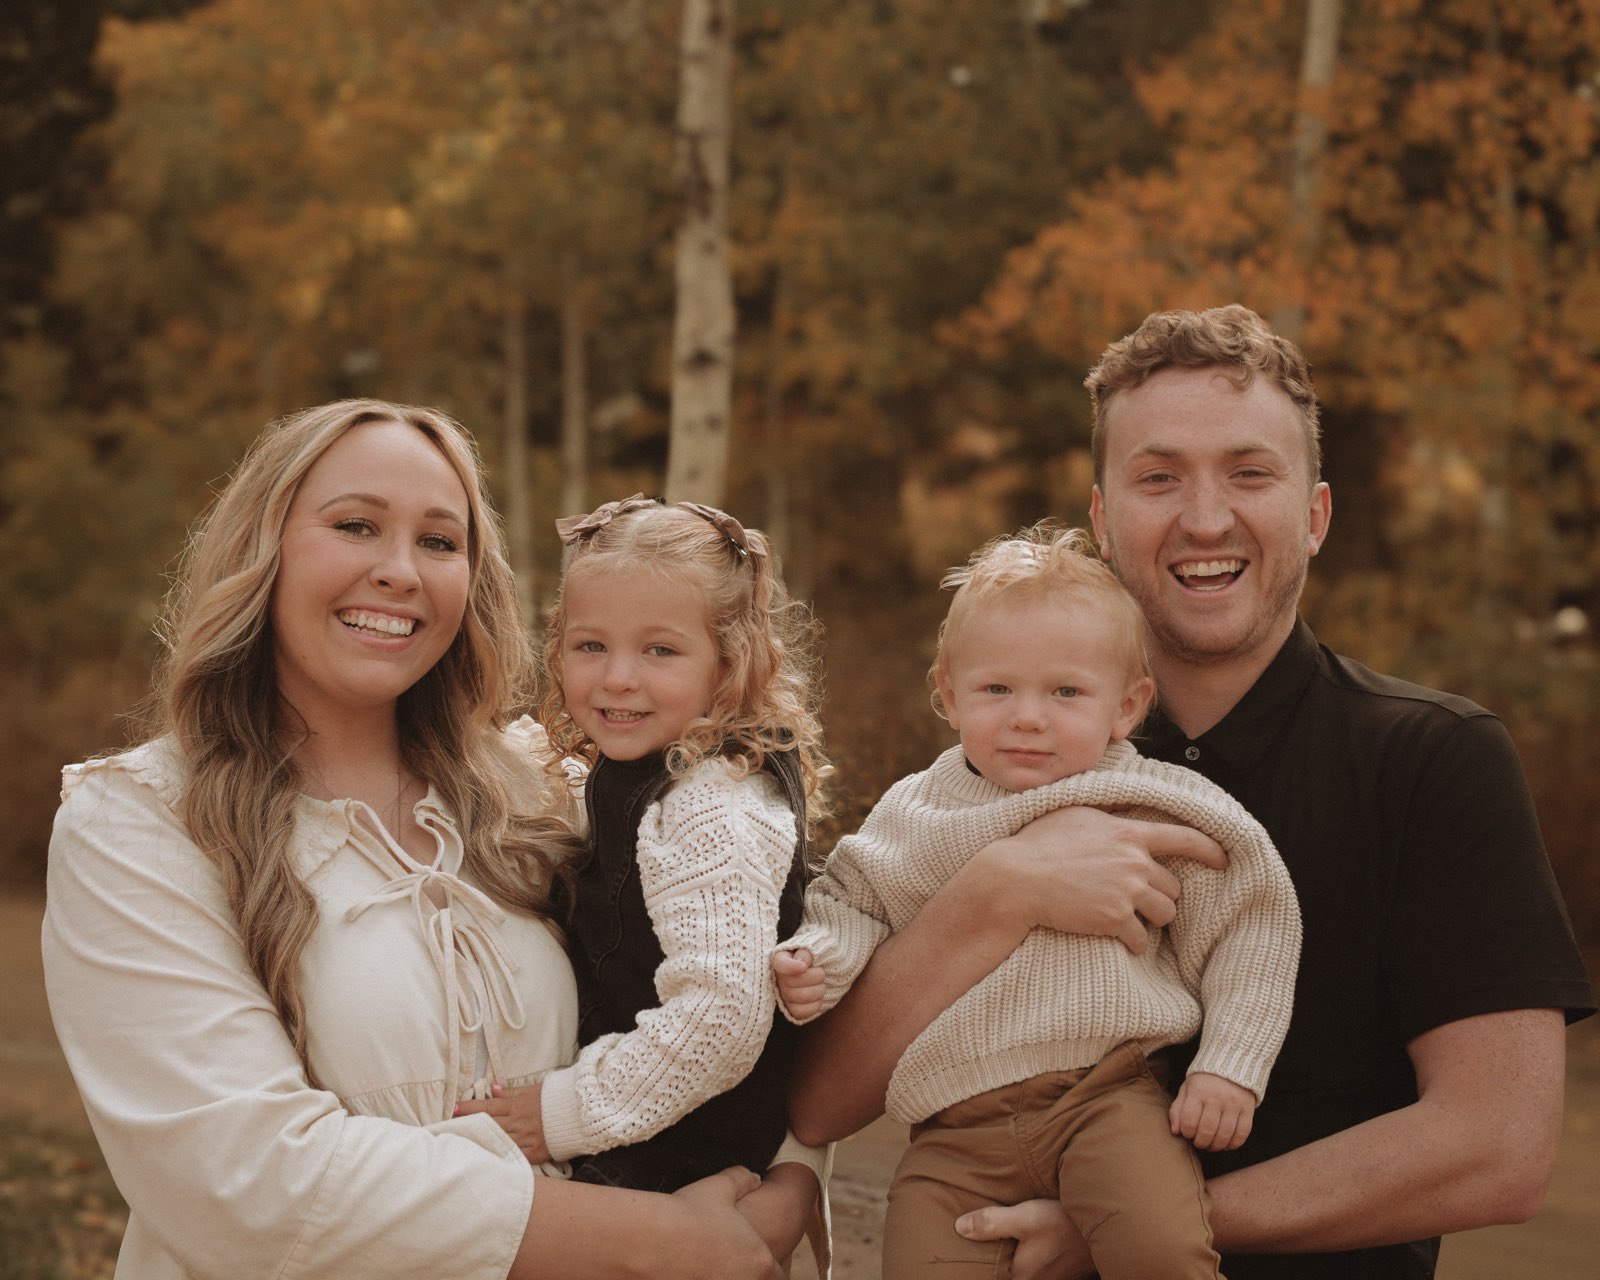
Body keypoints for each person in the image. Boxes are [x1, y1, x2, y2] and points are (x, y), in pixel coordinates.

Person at [788, 305, 1597, 1279]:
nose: (1205, 518)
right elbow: (821, 1105)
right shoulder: (994, 766)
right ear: (1102, 520)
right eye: (1159, 477)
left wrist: (1121, 1222)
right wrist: (1000, 892)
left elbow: (1498, 1147)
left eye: (1249, 474)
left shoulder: (1433, 760)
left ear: (1315, 514)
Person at [41, 400, 815, 1280]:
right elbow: (247, 1183)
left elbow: (737, 982)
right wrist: (662, 1242)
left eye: (440, 542)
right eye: (356, 526)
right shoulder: (140, 822)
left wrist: (787, 1183)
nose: (400, 571)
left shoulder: (546, 789)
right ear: (264, 549)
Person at [771, 523, 1300, 1278]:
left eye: (1066, 692)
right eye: (997, 689)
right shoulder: (918, 811)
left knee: (1161, 1249)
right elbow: (853, 899)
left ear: (1127, 707)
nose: (1028, 716)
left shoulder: (1153, 799)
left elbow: (1255, 918)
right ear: (949, 696)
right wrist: (818, 958)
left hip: (1109, 1100)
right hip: (953, 1129)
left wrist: (1230, 1063)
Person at [457, 496, 827, 1207]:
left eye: (660, 650)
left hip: (671, 1156)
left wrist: (557, 1117)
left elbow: (719, 1017)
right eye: (591, 646)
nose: (618, 678)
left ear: (729, 662)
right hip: (641, 1135)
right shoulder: (660, 765)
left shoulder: (713, 805)